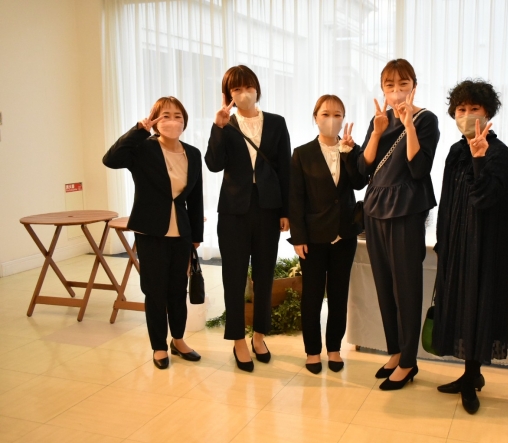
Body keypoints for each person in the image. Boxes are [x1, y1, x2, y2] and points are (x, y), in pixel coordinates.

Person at [103, 96, 204, 370]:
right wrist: (139, 129)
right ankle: (159, 346)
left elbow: (195, 197)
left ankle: (178, 340)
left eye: (178, 116)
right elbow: (110, 160)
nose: (172, 121)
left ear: (185, 121)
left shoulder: (193, 153)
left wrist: (196, 235)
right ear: (155, 120)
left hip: (181, 231)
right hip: (150, 229)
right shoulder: (143, 148)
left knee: (178, 289)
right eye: (165, 115)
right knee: (155, 290)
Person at [358, 59, 440, 390]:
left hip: (406, 210)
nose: (396, 92)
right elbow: (362, 169)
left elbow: (419, 169)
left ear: (414, 86)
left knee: (406, 287)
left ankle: (408, 360)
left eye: (403, 85)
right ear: (382, 89)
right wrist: (377, 132)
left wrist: (408, 127)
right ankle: (395, 351)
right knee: (383, 284)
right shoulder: (378, 119)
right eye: (389, 86)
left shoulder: (426, 119)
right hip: (375, 208)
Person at [432, 80, 508, 414]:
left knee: (479, 305)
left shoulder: (499, 152)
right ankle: (470, 374)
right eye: (461, 109)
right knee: (460, 303)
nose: (466, 115)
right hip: (456, 240)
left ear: (488, 113)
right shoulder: (455, 151)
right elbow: (447, 200)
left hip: (486, 244)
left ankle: (471, 377)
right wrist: (443, 240)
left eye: (474, 109)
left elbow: (486, 198)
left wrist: (479, 159)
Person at [205, 65, 291, 372]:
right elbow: (214, 164)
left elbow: (285, 168)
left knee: (264, 275)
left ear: (257, 88)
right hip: (233, 210)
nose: (244, 93)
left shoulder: (277, 123)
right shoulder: (226, 124)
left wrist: (286, 211)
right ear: (228, 95)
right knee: (234, 276)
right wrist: (217, 127)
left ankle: (259, 336)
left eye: (248, 87)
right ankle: (238, 340)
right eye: (236, 89)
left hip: (268, 208)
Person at [289, 95, 367, 374]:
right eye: (325, 114)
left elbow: (359, 183)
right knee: (311, 296)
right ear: (316, 117)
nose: (331, 119)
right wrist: (298, 237)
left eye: (337, 114)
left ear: (343, 119)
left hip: (344, 235)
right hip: (312, 237)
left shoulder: (352, 149)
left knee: (338, 295)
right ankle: (312, 351)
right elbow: (295, 198)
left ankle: (334, 348)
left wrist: (349, 154)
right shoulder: (302, 153)